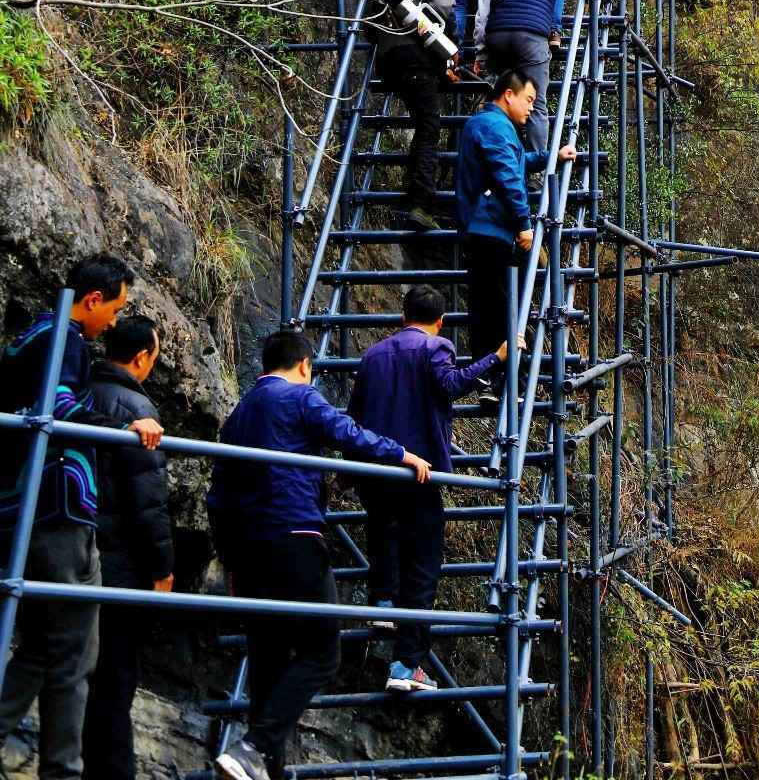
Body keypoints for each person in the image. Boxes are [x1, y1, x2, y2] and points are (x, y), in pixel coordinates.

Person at [208, 329, 431, 780]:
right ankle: (253, 749)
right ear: (305, 364)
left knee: (268, 663)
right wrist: (401, 453)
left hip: (249, 549)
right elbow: (346, 432)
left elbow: (219, 494)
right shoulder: (299, 398)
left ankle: (261, 764)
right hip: (294, 536)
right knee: (321, 651)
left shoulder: (239, 414)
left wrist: (230, 557)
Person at [0, 255, 162, 780]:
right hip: (59, 509)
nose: (114, 322)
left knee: (42, 645)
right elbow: (62, 408)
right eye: (114, 308)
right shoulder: (64, 338)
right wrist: (128, 427)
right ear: (92, 301)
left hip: (22, 507)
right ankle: (64, 772)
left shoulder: (30, 338)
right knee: (75, 654)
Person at [347, 286, 512, 695]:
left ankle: (382, 603)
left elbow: (354, 414)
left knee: (382, 535)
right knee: (422, 568)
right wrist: (497, 359)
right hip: (418, 473)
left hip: (374, 468)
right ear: (440, 321)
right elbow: (451, 384)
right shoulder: (436, 347)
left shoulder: (372, 356)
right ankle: (405, 666)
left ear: (403, 316)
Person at [81, 318, 173, 780]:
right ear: (141, 357)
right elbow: (148, 499)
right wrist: (162, 568)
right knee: (115, 681)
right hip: (118, 564)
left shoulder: (80, 394)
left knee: (72, 672)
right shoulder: (137, 407)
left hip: (75, 552)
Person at [474, 0, 602, 154]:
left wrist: (481, 54)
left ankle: (498, 159)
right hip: (532, 39)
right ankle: (537, 175)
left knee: (502, 102)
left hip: (498, 39)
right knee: (535, 104)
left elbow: (481, 17)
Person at [368, 0, 459, 232]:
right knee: (428, 128)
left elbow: (370, 24)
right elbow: (445, 13)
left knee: (422, 123)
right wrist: (451, 52)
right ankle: (421, 204)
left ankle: (414, 197)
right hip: (421, 60)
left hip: (391, 63)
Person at [454, 71, 542, 360]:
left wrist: (548, 156)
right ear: (508, 95)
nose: (531, 108)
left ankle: (492, 378)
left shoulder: (491, 124)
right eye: (528, 99)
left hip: (484, 226)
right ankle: (496, 377)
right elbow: (507, 176)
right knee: (495, 305)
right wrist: (524, 223)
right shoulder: (495, 126)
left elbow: (513, 163)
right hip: (489, 227)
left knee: (489, 302)